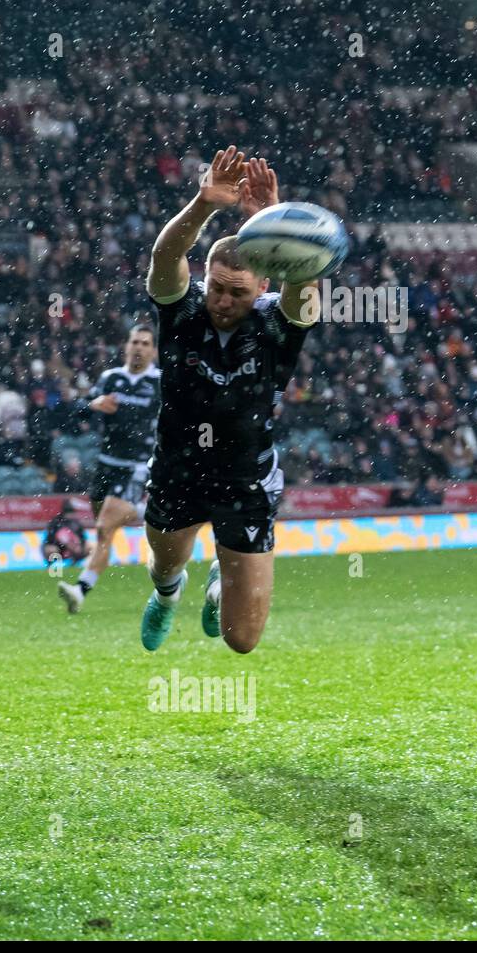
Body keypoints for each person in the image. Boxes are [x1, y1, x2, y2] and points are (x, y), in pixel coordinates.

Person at [138, 146, 323, 654]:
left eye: (238, 293)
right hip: (177, 466)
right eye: (217, 288)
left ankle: (220, 586)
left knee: (241, 640)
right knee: (165, 563)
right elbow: (164, 258)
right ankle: (168, 593)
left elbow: (303, 288)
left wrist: (276, 225)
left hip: (245, 478)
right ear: (205, 278)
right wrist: (203, 205)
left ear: (263, 286)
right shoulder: (183, 311)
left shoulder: (277, 322)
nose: (224, 301)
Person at [57, 323, 160, 613]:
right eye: (135, 342)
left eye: (145, 343)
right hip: (106, 465)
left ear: (153, 351)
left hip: (136, 466)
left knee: (104, 526)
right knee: (104, 531)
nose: (139, 348)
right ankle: (143, 511)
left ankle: (80, 590)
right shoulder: (110, 378)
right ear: (126, 346)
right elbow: (76, 411)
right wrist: (94, 403)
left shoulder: (160, 382)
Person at [43, 500, 88, 565]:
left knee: (89, 547)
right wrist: (66, 545)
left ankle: (75, 564)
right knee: (51, 550)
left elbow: (82, 537)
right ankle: (51, 565)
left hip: (75, 548)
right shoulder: (56, 522)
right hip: (58, 548)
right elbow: (50, 539)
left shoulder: (76, 523)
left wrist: (80, 546)